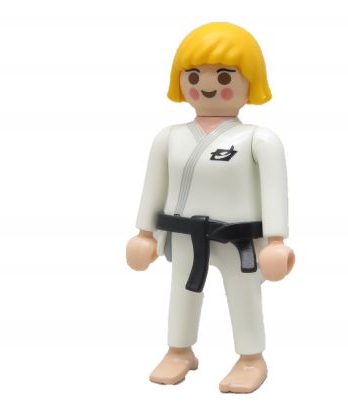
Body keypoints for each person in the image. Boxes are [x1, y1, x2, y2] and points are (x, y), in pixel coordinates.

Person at [126, 22, 295, 394]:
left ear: (251, 81)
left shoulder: (258, 139)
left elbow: (274, 191)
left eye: (223, 76)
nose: (207, 85)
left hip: (239, 238)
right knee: (182, 292)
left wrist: (276, 241)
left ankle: (251, 358)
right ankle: (179, 350)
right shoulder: (169, 138)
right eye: (194, 75)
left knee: (244, 293)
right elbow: (154, 187)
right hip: (184, 234)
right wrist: (144, 233)